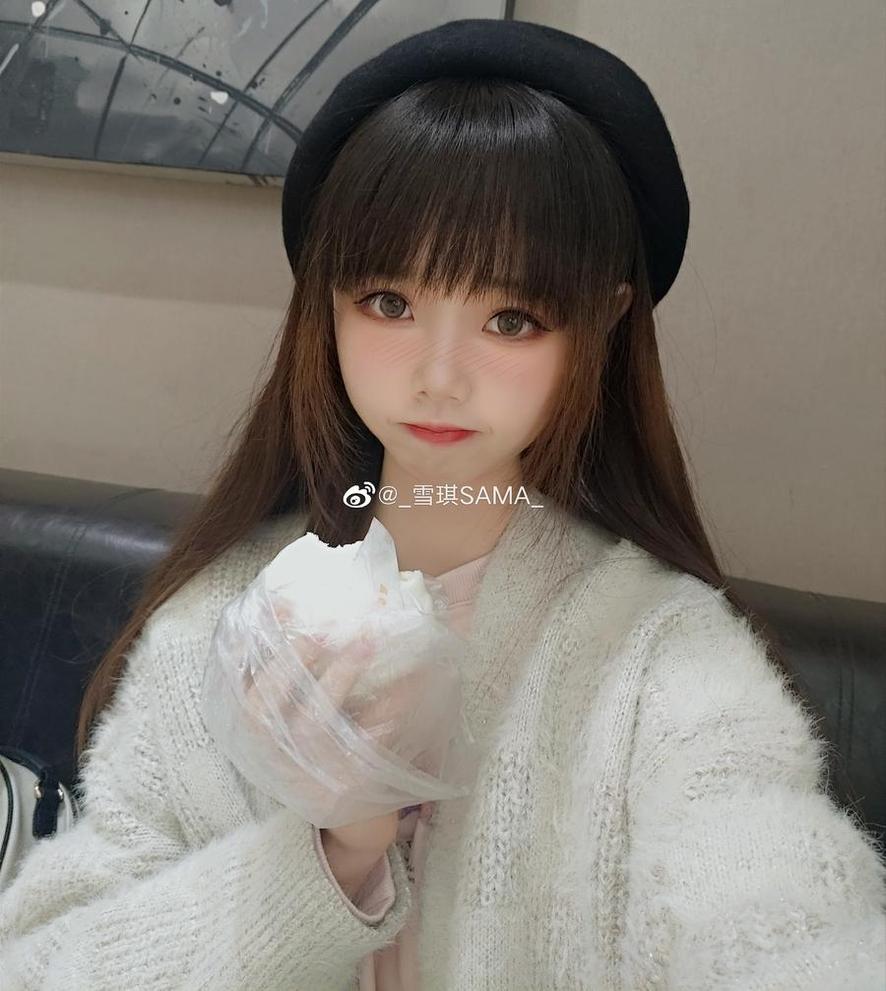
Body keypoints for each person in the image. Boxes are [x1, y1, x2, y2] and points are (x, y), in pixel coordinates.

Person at [2, 17, 885, 991]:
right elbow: (45, 963)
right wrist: (336, 851)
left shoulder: (661, 657)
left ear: (604, 320)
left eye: (511, 318)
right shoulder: (214, 624)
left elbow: (777, 914)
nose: (439, 375)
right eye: (389, 302)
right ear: (327, 301)